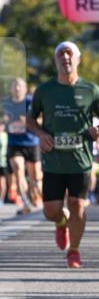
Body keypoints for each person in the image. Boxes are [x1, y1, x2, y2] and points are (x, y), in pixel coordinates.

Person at [26, 41, 99, 268]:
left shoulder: (91, 90)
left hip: (80, 159)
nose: (65, 57)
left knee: (78, 203)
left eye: (70, 53)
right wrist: (40, 134)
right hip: (53, 161)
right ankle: (60, 222)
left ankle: (74, 251)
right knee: (51, 210)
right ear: (55, 60)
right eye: (61, 54)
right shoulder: (45, 90)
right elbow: (30, 119)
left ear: (78, 60)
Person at [2, 77, 41, 214]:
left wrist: (29, 121)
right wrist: (3, 122)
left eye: (19, 86)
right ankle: (25, 201)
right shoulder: (6, 103)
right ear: (11, 89)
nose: (17, 88)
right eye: (14, 86)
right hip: (14, 142)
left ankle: (35, 195)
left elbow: (42, 119)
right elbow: (1, 118)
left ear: (25, 88)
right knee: (18, 169)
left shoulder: (31, 101)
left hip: (31, 141)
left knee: (35, 176)